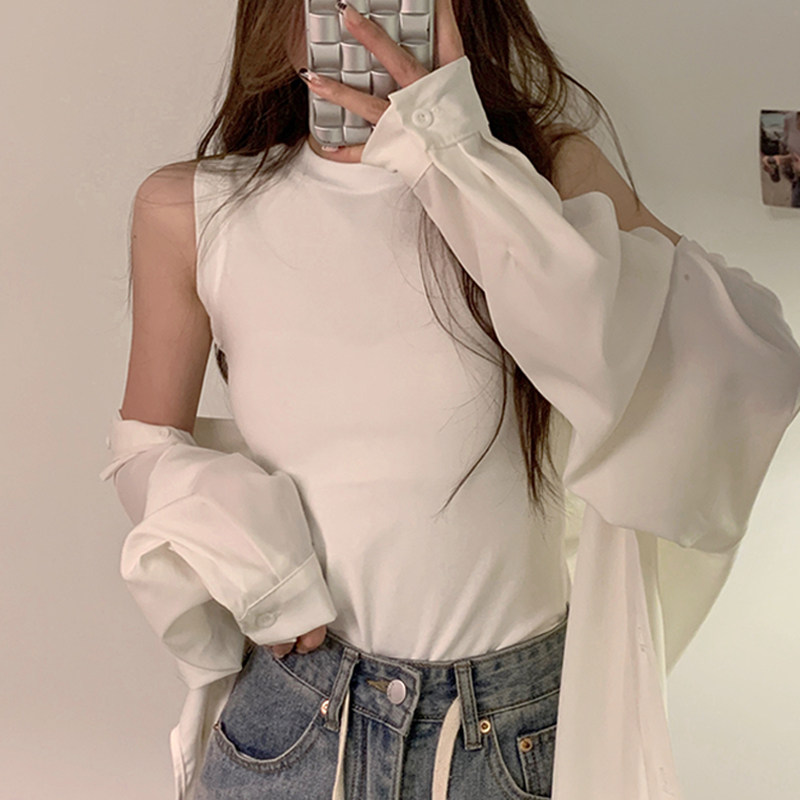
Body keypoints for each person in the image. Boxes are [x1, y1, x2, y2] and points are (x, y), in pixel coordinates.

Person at [100, 1, 800, 799]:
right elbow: (144, 446)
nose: (361, 18)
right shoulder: (191, 208)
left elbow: (750, 364)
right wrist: (253, 557)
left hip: (515, 736)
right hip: (295, 729)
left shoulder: (548, 174)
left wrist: (459, 157)